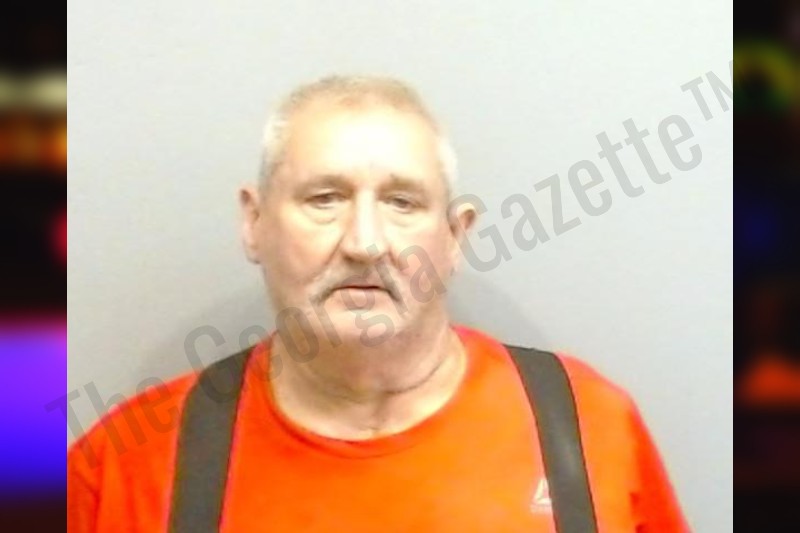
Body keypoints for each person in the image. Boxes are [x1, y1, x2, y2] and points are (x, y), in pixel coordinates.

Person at [67, 75, 688, 532]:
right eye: (324, 198)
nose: (365, 243)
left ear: (456, 235)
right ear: (254, 223)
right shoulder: (124, 463)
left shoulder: (591, 429)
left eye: (402, 203)